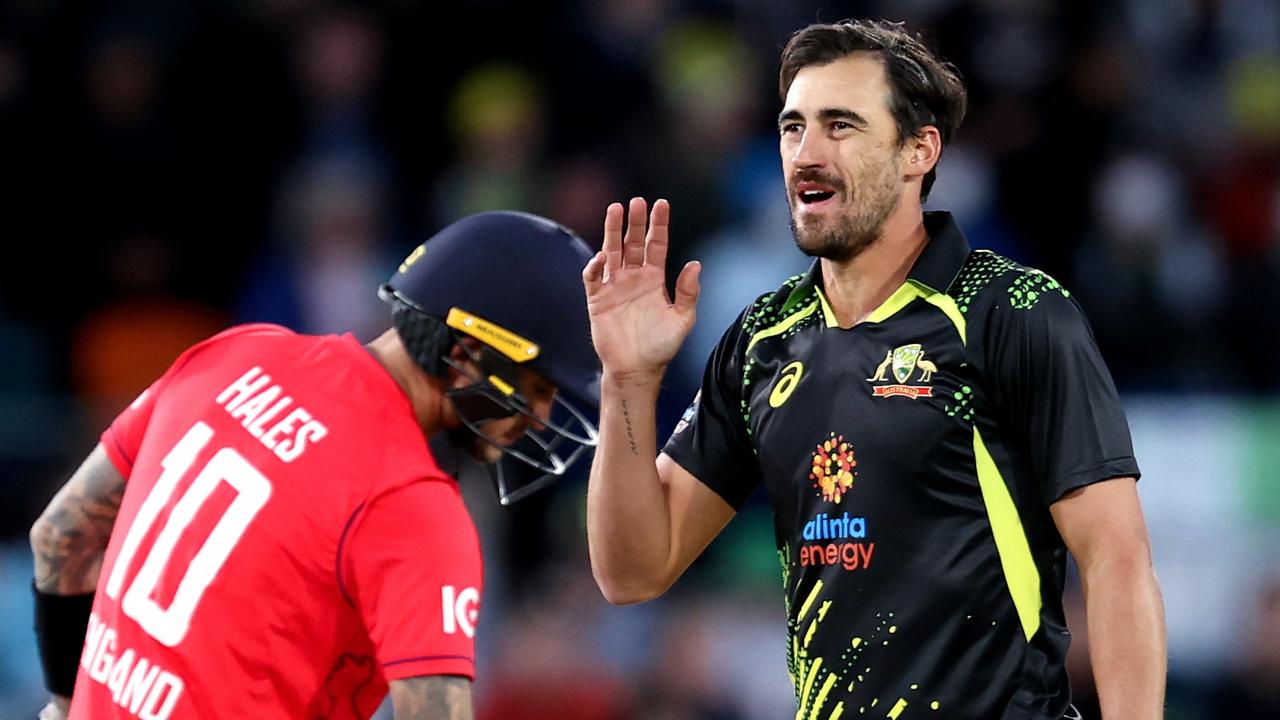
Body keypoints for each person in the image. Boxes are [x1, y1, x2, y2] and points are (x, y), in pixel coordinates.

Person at [582, 18, 1165, 720]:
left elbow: (1118, 563)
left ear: (919, 151)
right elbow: (634, 570)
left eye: (841, 125)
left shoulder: (1010, 311)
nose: (806, 152)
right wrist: (629, 382)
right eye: (793, 127)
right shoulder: (764, 339)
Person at [30, 210, 600, 720]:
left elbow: (61, 534)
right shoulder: (413, 506)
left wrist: (68, 701)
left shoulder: (235, 353)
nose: (543, 417)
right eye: (538, 386)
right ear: (465, 349)